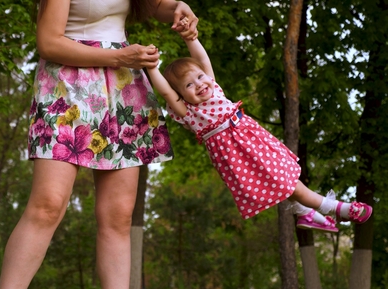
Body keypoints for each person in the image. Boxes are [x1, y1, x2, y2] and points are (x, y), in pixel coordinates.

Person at [0, 2, 199, 289]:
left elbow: (155, 5)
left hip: (122, 86)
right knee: (47, 206)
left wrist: (177, 9)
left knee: (118, 215)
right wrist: (119, 57)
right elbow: (49, 41)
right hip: (66, 83)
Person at [145, 17, 373, 233]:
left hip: (252, 139)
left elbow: (203, 61)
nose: (199, 85)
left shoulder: (214, 88)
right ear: (180, 96)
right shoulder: (189, 112)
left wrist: (190, 38)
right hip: (235, 153)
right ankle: (333, 208)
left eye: (199, 77)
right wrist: (152, 67)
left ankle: (305, 212)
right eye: (188, 85)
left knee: (281, 178)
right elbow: (165, 90)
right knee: (282, 181)